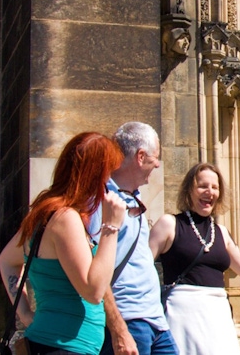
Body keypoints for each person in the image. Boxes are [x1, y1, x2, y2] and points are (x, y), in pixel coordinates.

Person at [148, 162, 240, 355]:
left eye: (215, 187)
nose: (209, 191)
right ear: (189, 190)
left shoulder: (221, 232)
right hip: (182, 316)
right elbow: (142, 268)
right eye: (202, 186)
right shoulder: (169, 224)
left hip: (218, 317)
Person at [0, 132, 127, 354]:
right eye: (108, 173)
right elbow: (93, 291)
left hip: (56, 344)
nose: (109, 182)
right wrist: (111, 227)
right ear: (95, 174)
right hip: (63, 347)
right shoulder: (65, 218)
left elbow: (7, 261)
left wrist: (26, 314)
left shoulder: (46, 213)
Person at [88, 122, 178, 355]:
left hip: (156, 321)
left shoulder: (133, 199)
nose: (157, 164)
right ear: (140, 156)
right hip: (128, 319)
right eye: (155, 157)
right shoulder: (102, 201)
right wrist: (118, 329)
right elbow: (94, 266)